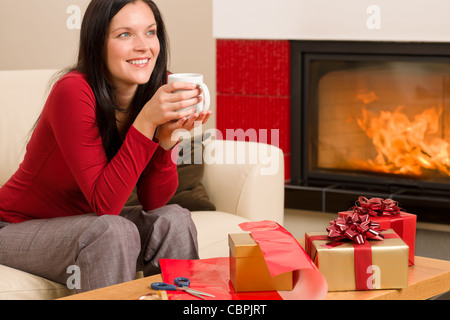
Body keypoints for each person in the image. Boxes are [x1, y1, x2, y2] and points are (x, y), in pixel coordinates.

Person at [0, 0, 211, 293]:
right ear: (98, 43)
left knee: (173, 218)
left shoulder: (155, 88)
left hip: (88, 225)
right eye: (125, 35)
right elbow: (107, 207)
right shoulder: (73, 91)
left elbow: (155, 203)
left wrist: (165, 142)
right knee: (113, 231)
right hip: (15, 228)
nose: (143, 46)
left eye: (150, 33)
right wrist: (146, 122)